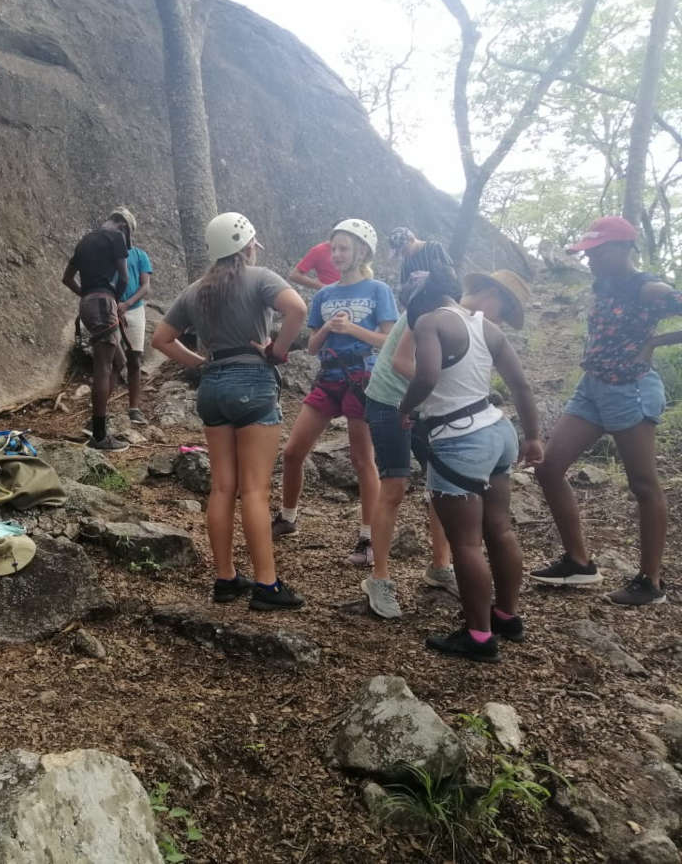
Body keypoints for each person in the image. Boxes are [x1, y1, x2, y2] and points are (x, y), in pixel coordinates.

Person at [152, 213, 308, 610]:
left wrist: (199, 365)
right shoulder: (260, 278)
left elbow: (161, 339)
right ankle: (267, 586)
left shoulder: (194, 292)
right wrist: (277, 350)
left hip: (213, 388)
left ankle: (225, 579)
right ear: (247, 245)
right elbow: (298, 310)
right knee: (254, 490)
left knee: (222, 487)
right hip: (253, 384)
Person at [361, 268, 530, 618]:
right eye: (504, 310)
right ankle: (379, 577)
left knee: (443, 489)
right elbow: (402, 362)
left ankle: (441, 565)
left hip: (439, 413)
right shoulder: (428, 309)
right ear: (491, 293)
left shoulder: (472, 321)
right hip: (393, 403)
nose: (500, 319)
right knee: (394, 486)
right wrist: (450, 392)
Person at [532, 216, 682, 605]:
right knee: (548, 468)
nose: (589, 261)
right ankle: (579, 563)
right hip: (592, 388)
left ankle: (650, 583)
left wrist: (655, 341)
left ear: (621, 250)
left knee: (643, 483)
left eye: (595, 253)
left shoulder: (648, 288)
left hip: (629, 389)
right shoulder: (605, 282)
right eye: (586, 254)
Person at [397, 263, 541, 662]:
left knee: (465, 543)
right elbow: (520, 384)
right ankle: (506, 616)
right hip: (498, 431)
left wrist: (404, 409)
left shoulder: (430, 323)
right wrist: (532, 436)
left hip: (458, 439)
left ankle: (479, 637)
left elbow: (426, 378)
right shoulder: (487, 329)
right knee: (500, 529)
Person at [274, 219, 397, 568]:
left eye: (344, 248)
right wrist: (329, 326)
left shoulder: (378, 290)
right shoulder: (324, 295)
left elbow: (390, 339)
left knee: (362, 460)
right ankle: (288, 517)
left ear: (361, 251)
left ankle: (368, 538)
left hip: (363, 376)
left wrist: (353, 328)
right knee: (293, 451)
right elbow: (312, 347)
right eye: (334, 249)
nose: (337, 255)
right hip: (328, 376)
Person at [63, 212, 130, 450]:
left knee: (119, 362)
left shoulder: (85, 241)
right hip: (104, 304)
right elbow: (123, 276)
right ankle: (99, 436)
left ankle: (97, 421)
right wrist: (115, 300)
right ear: (122, 225)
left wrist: (88, 295)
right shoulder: (116, 237)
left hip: (89, 304)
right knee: (104, 366)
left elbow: (67, 278)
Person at [111, 207, 153, 426]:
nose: (117, 225)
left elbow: (145, 286)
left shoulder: (139, 255)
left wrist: (126, 304)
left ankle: (134, 408)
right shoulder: (106, 254)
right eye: (115, 220)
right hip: (111, 308)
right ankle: (104, 409)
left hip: (134, 308)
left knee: (135, 358)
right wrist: (114, 305)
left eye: (121, 222)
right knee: (109, 357)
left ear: (128, 229)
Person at [388, 227, 454, 283]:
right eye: (400, 253)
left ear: (411, 240)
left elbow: (451, 275)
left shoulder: (434, 248)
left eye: (404, 250)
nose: (403, 254)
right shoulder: (406, 263)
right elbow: (403, 287)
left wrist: (429, 276)